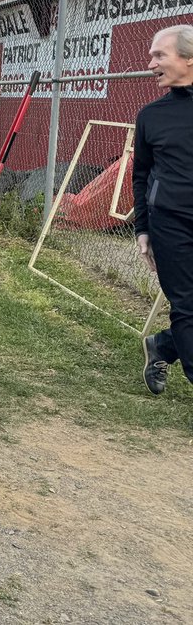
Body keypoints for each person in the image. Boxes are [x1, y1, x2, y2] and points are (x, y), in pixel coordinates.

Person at [136, 24, 193, 397]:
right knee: (188, 304)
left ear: (188, 59)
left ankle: (163, 346)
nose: (151, 62)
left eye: (160, 54)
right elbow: (140, 175)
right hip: (170, 223)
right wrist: (143, 227)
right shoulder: (152, 115)